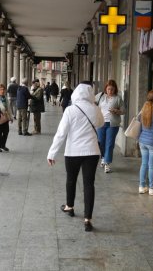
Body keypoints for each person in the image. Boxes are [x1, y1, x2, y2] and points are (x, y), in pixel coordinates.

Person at [47, 81, 104, 232]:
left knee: (71, 180)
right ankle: (87, 219)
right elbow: (100, 123)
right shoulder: (96, 109)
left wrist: (52, 153)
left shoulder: (70, 110)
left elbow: (61, 134)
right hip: (92, 151)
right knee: (89, 184)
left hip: (73, 151)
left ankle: (69, 207)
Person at [95, 79, 125, 173]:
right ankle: (103, 158)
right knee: (100, 142)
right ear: (106, 89)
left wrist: (116, 111)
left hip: (112, 124)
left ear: (115, 89)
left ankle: (107, 163)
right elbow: (92, 102)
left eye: (112, 89)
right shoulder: (100, 96)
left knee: (110, 143)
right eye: (108, 89)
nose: (110, 91)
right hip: (101, 122)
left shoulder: (118, 98)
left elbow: (123, 110)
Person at [0, 84, 13, 152]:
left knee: (6, 132)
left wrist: (11, 117)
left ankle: (3, 145)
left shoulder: (5, 98)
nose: (2, 91)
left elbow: (8, 108)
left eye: (3, 89)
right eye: (1, 89)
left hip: (6, 118)